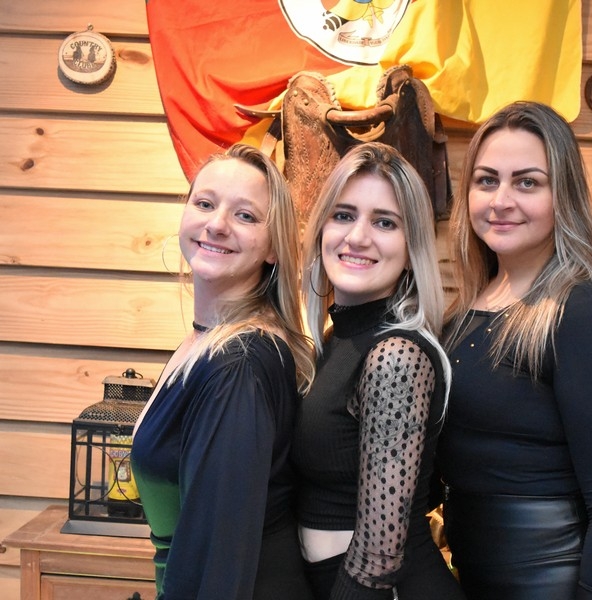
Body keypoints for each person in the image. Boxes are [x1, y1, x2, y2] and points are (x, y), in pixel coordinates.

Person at [436, 101, 592, 600]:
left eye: (527, 182)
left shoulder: (580, 314)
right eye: (486, 180)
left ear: (562, 196)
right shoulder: (463, 313)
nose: (501, 200)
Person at [131, 143, 315, 600]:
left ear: (273, 248)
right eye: (205, 203)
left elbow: (219, 552)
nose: (217, 224)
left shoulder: (239, 365)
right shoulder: (204, 341)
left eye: (245, 215)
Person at [292, 142, 465, 600]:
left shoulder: (396, 356)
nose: (358, 237)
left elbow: (378, 559)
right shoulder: (337, 339)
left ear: (411, 249)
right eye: (343, 215)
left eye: (385, 222)